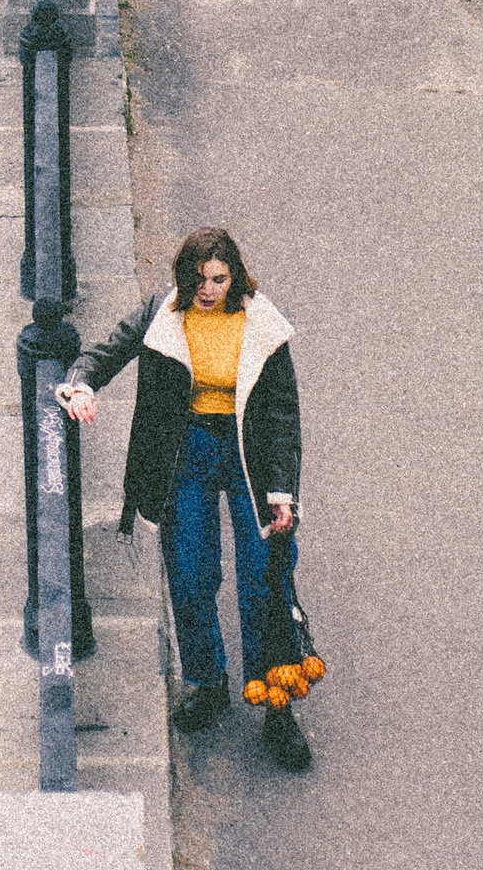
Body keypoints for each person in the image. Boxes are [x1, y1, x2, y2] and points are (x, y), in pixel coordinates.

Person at [58, 225, 308, 766]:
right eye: (199, 279)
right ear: (184, 277)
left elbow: (284, 416)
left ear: (234, 275)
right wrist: (79, 382)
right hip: (188, 452)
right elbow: (107, 353)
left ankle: (277, 703)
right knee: (191, 573)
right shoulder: (162, 314)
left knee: (263, 576)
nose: (209, 289)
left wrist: (283, 490)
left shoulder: (261, 323)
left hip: (248, 456)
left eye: (219, 278)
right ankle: (208, 680)